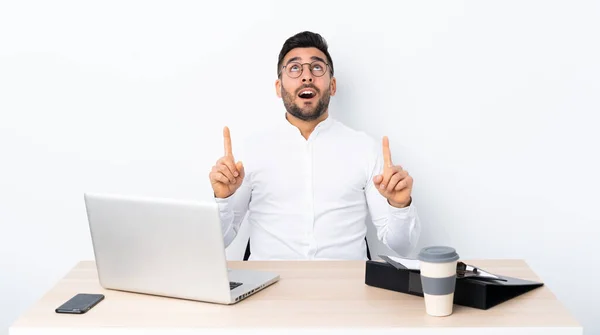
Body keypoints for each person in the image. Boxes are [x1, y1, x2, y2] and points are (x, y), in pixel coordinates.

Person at [208, 31, 421, 260]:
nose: (307, 76)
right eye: (295, 68)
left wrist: (399, 205)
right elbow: (220, 241)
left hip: (347, 290)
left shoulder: (365, 149)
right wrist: (222, 199)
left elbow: (403, 247)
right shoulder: (249, 152)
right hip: (269, 288)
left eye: (317, 68)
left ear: (332, 85)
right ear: (279, 87)